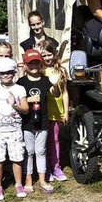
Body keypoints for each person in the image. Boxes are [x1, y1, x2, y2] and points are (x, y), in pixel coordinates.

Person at [0, 57, 29, 201]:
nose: (6, 75)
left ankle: (19, 184)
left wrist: (15, 105)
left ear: (14, 72)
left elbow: (26, 109)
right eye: (2, 73)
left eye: (9, 72)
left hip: (15, 130)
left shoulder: (19, 89)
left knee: (17, 158)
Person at [17, 49, 61, 193]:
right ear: (25, 65)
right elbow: (16, 99)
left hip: (42, 121)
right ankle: (28, 179)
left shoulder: (45, 80)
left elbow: (56, 93)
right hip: (26, 122)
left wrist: (55, 85)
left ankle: (42, 180)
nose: (34, 66)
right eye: (30, 64)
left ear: (41, 64)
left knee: (40, 151)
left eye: (37, 63)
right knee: (28, 151)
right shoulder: (21, 82)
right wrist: (28, 100)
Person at [38, 41, 69, 181]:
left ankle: (56, 167)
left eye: (49, 54)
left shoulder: (61, 71)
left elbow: (65, 92)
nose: (47, 58)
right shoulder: (39, 71)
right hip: (44, 111)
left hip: (57, 110)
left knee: (55, 140)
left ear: (54, 54)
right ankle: (46, 169)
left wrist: (66, 111)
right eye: (44, 55)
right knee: (43, 141)